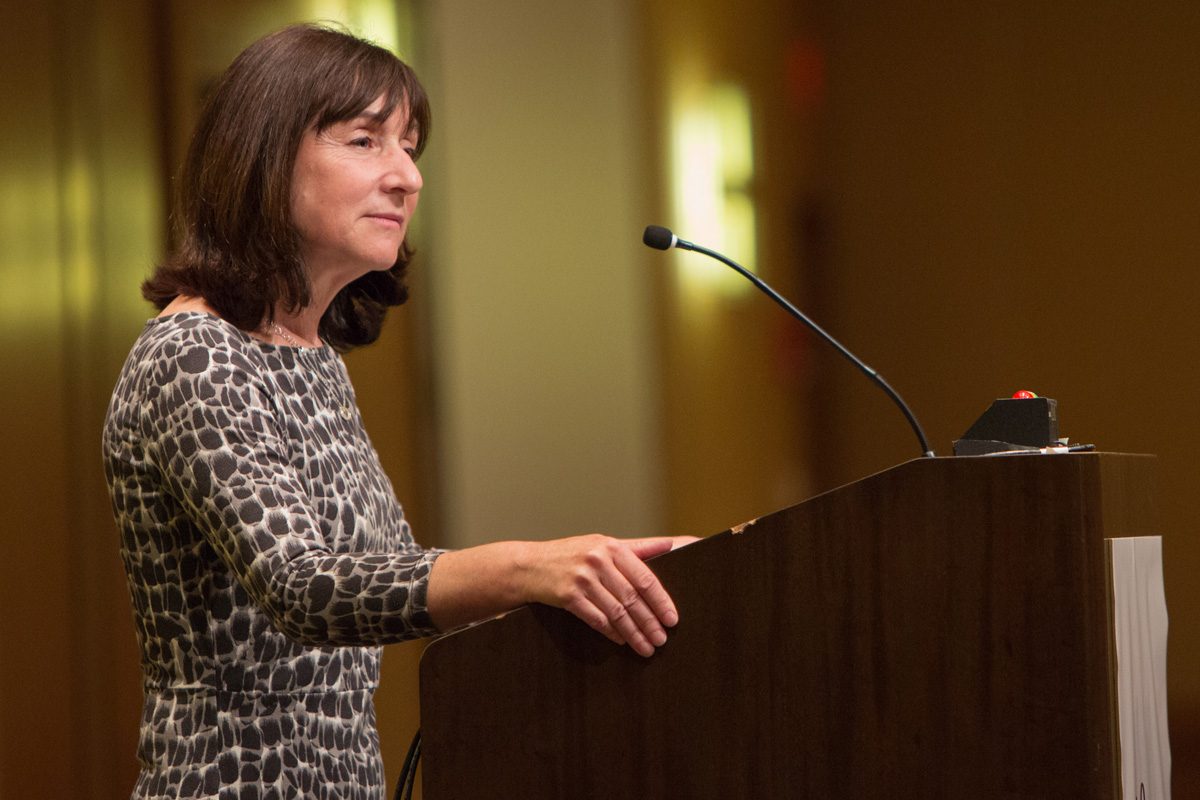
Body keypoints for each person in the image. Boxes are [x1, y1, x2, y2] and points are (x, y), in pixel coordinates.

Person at [102, 23, 690, 800]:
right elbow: (305, 588)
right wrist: (530, 567)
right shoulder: (195, 353)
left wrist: (606, 579)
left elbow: (388, 578)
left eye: (409, 145)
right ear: (264, 153)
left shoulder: (312, 358)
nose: (407, 176)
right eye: (365, 141)